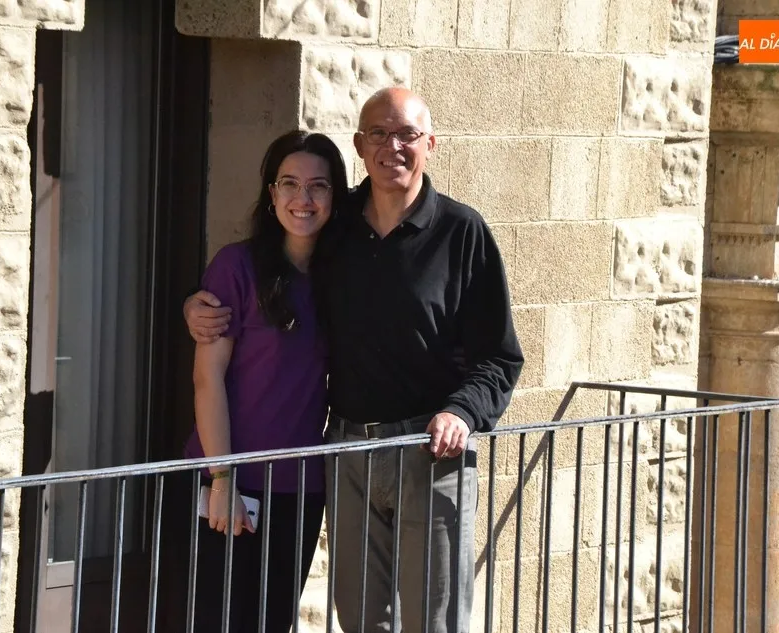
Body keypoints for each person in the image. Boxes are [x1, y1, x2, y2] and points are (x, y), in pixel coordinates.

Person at [183, 87, 524, 633]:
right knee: (361, 618)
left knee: (433, 620)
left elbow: (499, 357)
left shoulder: (462, 233)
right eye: (379, 134)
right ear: (360, 145)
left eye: (407, 134)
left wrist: (461, 412)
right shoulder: (335, 228)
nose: (393, 146)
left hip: (428, 451)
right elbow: (258, 281)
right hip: (346, 455)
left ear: (431, 143)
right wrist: (191, 306)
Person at [182, 129, 349, 632]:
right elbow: (207, 378)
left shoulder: (341, 277)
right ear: (272, 192)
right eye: (290, 183)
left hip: (300, 487)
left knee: (273, 622)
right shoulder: (237, 267)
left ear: (335, 196)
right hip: (229, 478)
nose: (303, 198)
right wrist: (223, 477)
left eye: (318, 186)